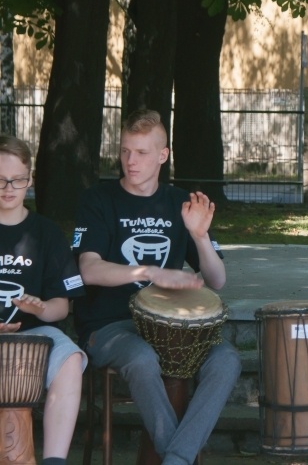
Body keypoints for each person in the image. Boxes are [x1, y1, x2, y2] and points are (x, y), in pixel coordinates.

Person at [72, 109, 241, 465]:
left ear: (163, 155)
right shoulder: (98, 200)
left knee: (226, 359)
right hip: (109, 326)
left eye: (142, 152)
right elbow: (89, 270)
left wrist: (199, 237)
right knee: (143, 358)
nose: (130, 161)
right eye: (125, 151)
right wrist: (150, 272)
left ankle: (175, 458)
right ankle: (178, 457)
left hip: (172, 330)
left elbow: (218, 279)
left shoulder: (180, 203)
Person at [0, 135, 86, 465]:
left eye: (18, 179)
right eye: (1, 180)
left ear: (30, 179)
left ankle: (54, 460)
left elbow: (61, 306)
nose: (9, 188)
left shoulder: (47, 233)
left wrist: (40, 308)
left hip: (36, 335)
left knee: (71, 360)